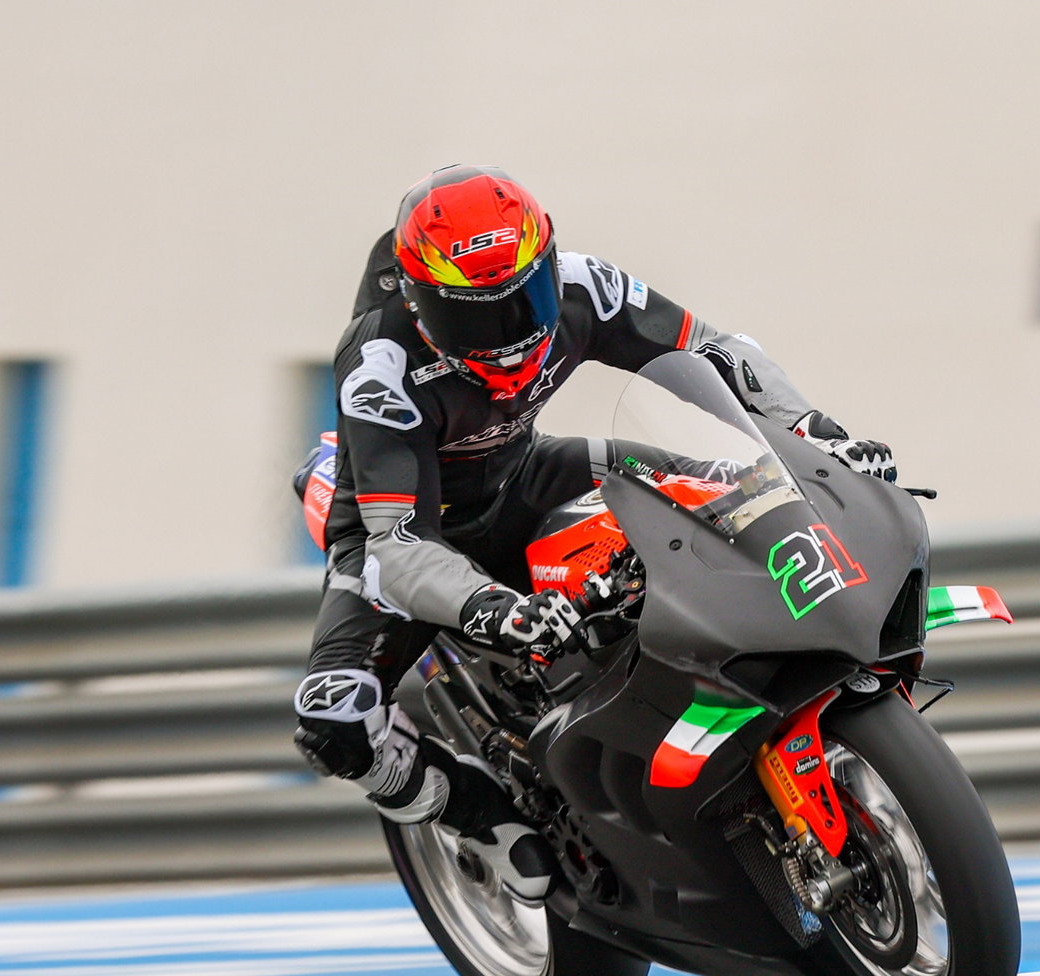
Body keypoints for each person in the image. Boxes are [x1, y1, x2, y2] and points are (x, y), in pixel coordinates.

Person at [293, 164, 895, 901]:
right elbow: (397, 546)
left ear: (548, 263)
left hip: (525, 476)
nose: (511, 335)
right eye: (477, 317)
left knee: (728, 488)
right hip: (405, 532)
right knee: (334, 718)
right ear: (420, 305)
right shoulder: (379, 366)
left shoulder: (586, 286)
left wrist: (813, 433)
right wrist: (493, 607)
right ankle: (473, 813)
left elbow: (715, 351)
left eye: (526, 299)